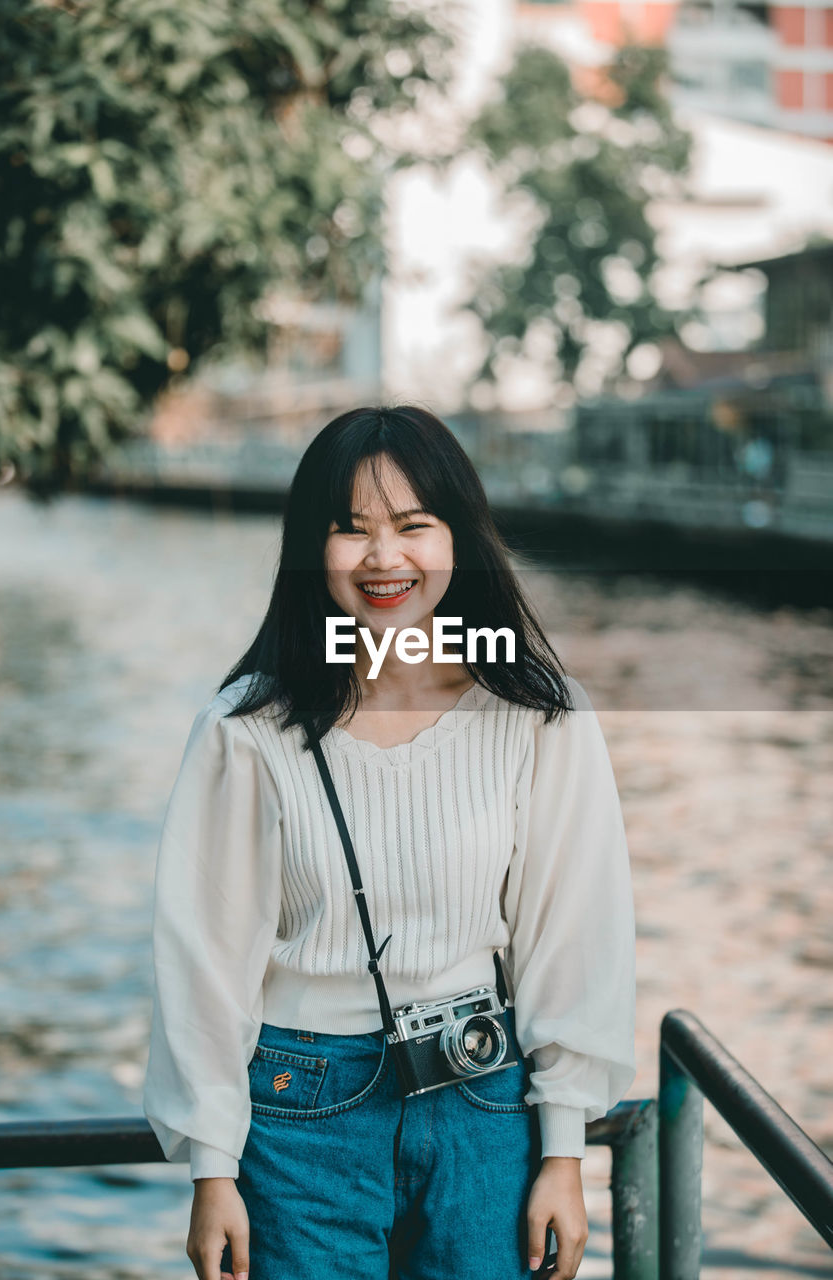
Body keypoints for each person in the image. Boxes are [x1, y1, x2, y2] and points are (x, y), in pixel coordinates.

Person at [142, 404, 636, 1280]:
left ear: (458, 538)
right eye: (350, 531)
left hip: (485, 1105)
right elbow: (204, 959)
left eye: (413, 526)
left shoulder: (534, 713)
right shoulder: (248, 727)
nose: (383, 559)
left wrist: (563, 1151)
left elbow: (572, 935)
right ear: (309, 547)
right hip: (300, 1115)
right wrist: (212, 1166)